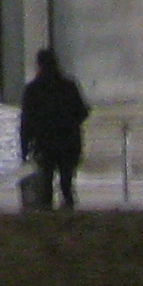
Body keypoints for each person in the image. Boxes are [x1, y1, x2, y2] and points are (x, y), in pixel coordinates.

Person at [16, 47, 90, 210]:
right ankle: (69, 215)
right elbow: (83, 111)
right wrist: (69, 123)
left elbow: (27, 121)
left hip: (45, 142)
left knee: (46, 184)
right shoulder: (68, 86)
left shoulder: (34, 89)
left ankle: (48, 217)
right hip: (68, 140)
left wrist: (25, 147)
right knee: (66, 183)